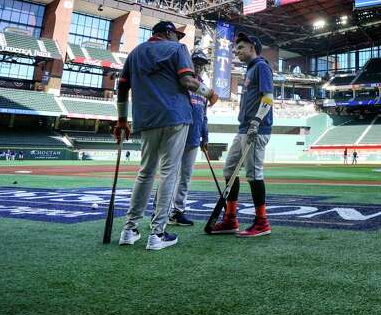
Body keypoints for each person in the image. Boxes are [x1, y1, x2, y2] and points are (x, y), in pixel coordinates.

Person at [115, 21, 218, 251]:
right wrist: (209, 93)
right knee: (169, 173)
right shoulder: (177, 49)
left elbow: (122, 88)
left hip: (147, 119)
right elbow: (187, 81)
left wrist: (122, 119)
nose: (179, 40)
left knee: (145, 172)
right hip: (175, 117)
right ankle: (157, 234)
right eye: (176, 35)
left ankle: (129, 230)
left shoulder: (135, 53)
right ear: (169, 33)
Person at [210, 32, 274, 237]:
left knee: (254, 174)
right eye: (236, 48)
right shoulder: (250, 70)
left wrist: (256, 121)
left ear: (252, 48)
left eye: (240, 48)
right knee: (229, 170)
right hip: (243, 129)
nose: (236, 51)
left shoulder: (261, 67)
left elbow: (268, 98)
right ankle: (230, 219)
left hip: (256, 128)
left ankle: (262, 222)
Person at [168, 49, 211, 227]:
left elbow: (204, 114)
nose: (199, 66)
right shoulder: (181, 81)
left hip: (194, 137)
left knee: (185, 177)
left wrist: (205, 136)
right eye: (196, 62)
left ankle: (178, 212)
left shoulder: (203, 88)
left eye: (202, 64)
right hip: (177, 134)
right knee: (169, 175)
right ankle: (161, 211)